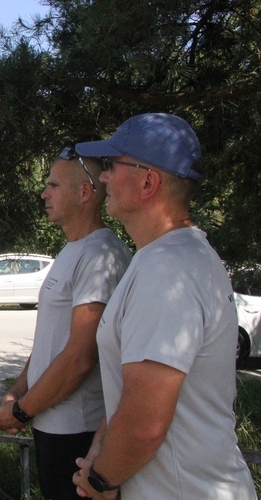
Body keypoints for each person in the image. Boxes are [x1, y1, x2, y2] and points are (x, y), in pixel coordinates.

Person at [70, 113, 255, 499]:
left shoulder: (168, 269)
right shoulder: (167, 257)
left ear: (148, 181)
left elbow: (144, 424)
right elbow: (130, 392)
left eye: (110, 165)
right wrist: (101, 452)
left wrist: (101, 480)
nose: (102, 178)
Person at [0, 149, 131, 499]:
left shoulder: (101, 254)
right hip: (51, 423)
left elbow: (81, 356)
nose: (43, 193)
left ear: (85, 193)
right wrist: (17, 391)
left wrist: (23, 408)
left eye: (53, 185)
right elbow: (50, 340)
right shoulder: (72, 249)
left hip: (77, 431)